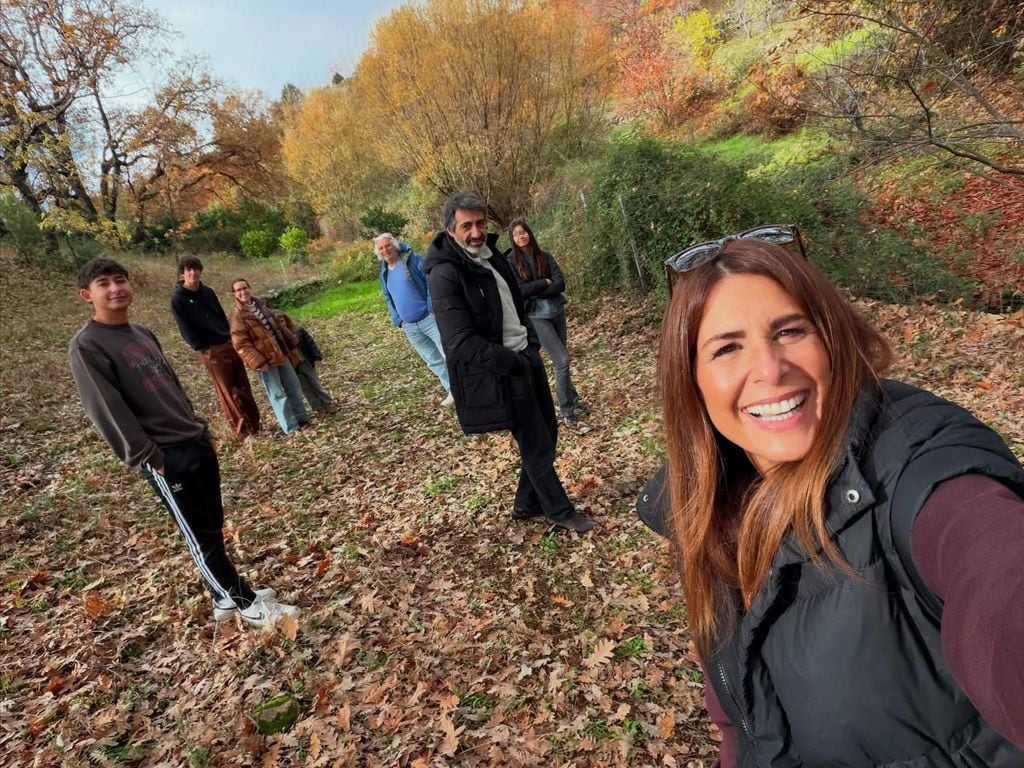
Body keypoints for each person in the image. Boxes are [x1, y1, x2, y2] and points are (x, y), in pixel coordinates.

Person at [642, 230, 1024, 764]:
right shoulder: (708, 511)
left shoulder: (914, 467)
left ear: (832, 339)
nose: (770, 369)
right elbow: (740, 724)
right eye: (728, 347)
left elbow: (991, 563)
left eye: (790, 331)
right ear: (692, 382)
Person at [68, 257, 298, 627]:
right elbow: (108, 410)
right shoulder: (88, 347)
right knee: (199, 534)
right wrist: (150, 457)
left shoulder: (141, 332)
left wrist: (200, 428)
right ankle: (246, 602)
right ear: (86, 295)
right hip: (164, 455)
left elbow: (171, 384)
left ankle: (222, 596)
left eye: (120, 280)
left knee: (212, 525)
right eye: (104, 284)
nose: (115, 289)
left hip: (193, 440)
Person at [424, 192, 597, 533]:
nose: (475, 232)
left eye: (479, 223)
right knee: (535, 441)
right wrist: (513, 362)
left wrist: (530, 346)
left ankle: (525, 502)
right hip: (503, 370)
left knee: (547, 431)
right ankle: (560, 512)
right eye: (466, 226)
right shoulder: (444, 275)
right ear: (449, 230)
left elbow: (515, 301)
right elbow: (459, 342)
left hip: (525, 356)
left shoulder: (492, 256)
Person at [505, 219, 587, 426]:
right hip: (536, 316)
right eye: (516, 234)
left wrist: (536, 289)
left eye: (523, 232)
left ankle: (573, 399)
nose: (521, 236)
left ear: (529, 233)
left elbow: (560, 283)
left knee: (563, 360)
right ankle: (567, 408)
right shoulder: (511, 262)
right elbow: (519, 291)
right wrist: (543, 283)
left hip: (556, 311)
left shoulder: (545, 257)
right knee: (562, 360)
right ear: (512, 239)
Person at [170, 256, 261, 438]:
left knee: (242, 385)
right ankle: (242, 431)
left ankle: (255, 425)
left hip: (227, 342)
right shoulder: (178, 299)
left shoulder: (208, 292)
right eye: (189, 270)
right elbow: (185, 328)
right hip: (210, 349)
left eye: (196, 269)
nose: (193, 273)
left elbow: (219, 315)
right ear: (183, 273)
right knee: (227, 391)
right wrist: (202, 347)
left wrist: (230, 336)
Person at [375, 232, 454, 408]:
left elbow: (430, 281)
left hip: (429, 318)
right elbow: (388, 297)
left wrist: (431, 307)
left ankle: (465, 386)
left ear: (394, 245)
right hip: (409, 326)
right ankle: (452, 389)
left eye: (387, 245)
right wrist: (398, 320)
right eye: (381, 248)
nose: (385, 250)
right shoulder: (384, 272)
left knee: (447, 352)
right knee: (432, 360)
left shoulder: (412, 259)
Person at [228, 278, 310, 435]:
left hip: (280, 353)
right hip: (264, 361)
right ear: (234, 294)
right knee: (278, 394)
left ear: (249, 288)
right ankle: (291, 427)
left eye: (244, 288)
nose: (243, 292)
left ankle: (301, 418)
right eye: (238, 290)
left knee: (293, 386)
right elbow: (241, 344)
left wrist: (291, 345)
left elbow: (278, 327)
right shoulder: (238, 315)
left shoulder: (261, 305)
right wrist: (258, 362)